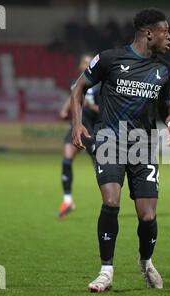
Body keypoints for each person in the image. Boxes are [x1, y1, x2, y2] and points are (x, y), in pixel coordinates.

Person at [70, 8, 170, 292]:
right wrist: (78, 125)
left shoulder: (164, 71)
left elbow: (167, 105)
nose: (169, 36)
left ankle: (146, 262)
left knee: (147, 215)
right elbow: (78, 88)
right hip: (110, 141)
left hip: (143, 146)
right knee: (111, 201)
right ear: (148, 33)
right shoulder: (110, 59)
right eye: (164, 31)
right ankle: (106, 271)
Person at [58, 54, 100, 218]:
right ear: (79, 66)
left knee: (100, 168)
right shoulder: (76, 83)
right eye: (83, 62)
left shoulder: (100, 85)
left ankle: (110, 201)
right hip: (76, 128)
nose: (86, 65)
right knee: (66, 159)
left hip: (93, 131)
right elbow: (72, 98)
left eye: (89, 62)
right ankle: (67, 200)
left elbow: (106, 110)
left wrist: (92, 106)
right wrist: (64, 110)